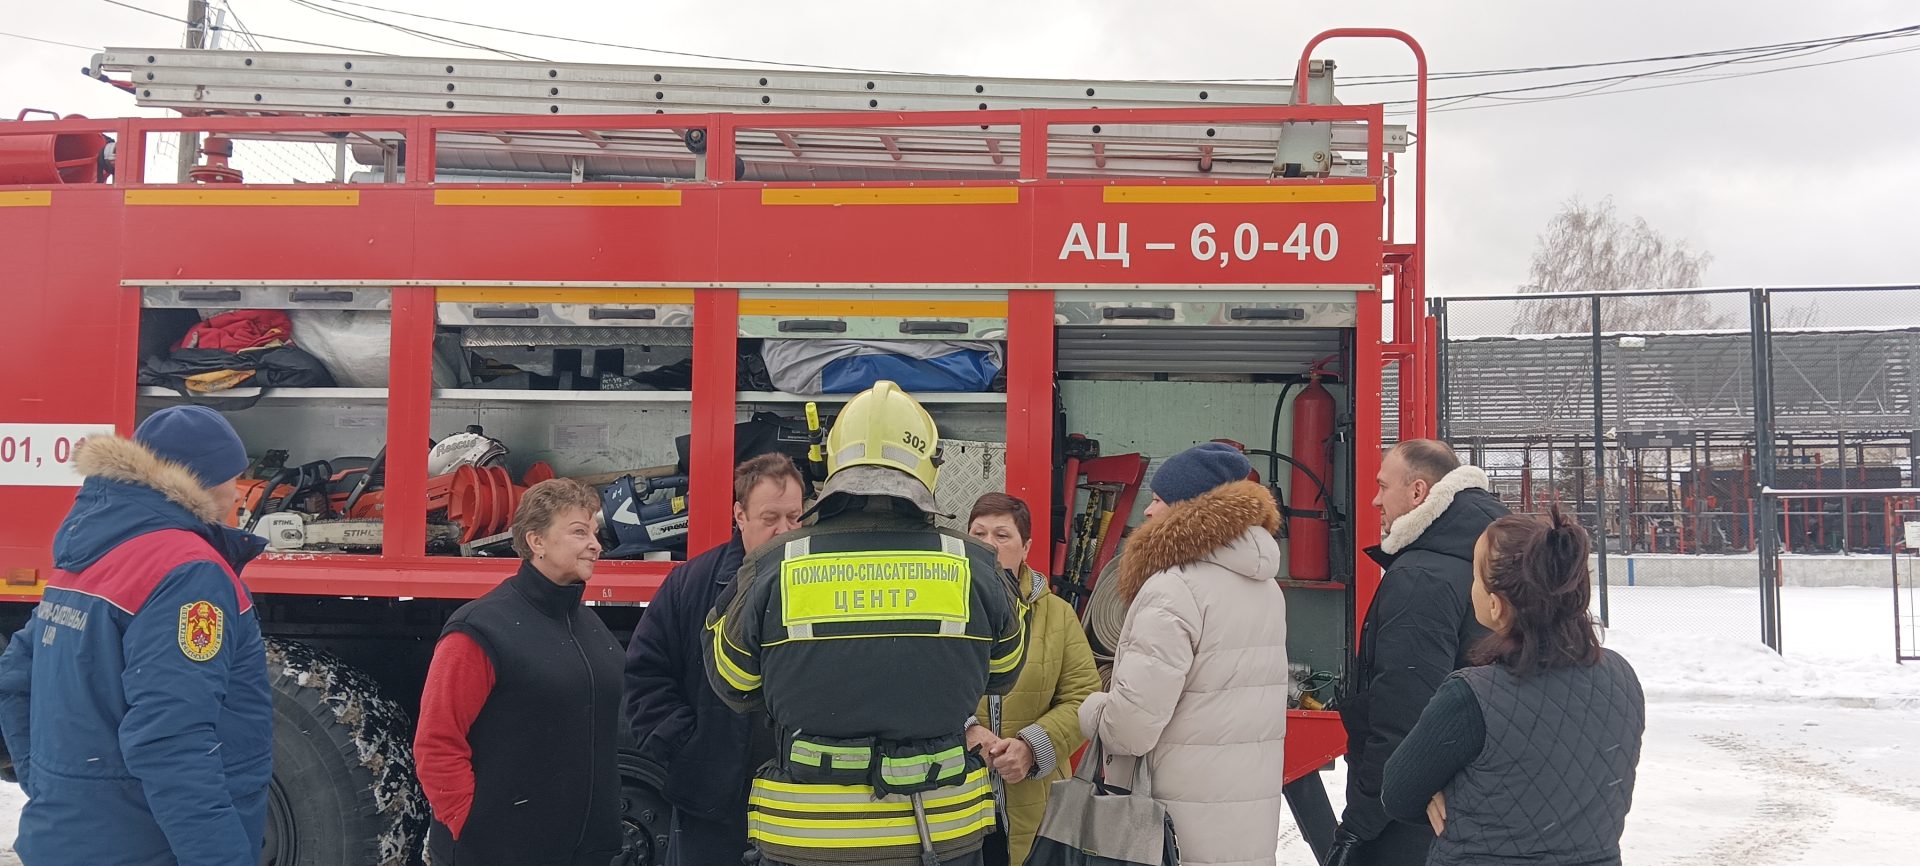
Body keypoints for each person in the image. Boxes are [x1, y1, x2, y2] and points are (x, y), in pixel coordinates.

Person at [706, 381, 1027, 866]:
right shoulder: (978, 564)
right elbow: (1003, 672)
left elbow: (734, 682)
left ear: (833, 462)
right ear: (928, 465)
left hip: (809, 841)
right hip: (941, 839)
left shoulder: (774, 563)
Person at [0, 406, 271, 866]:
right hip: (145, 846)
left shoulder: (86, 555)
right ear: (202, 478)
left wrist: (55, 786)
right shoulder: (189, 572)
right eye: (234, 476)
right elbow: (172, 737)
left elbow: (15, 682)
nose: (239, 492)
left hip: (65, 838)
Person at [1381, 507, 1645, 866]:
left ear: (1494, 604)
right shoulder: (1621, 677)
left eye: (1475, 575)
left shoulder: (1471, 696)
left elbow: (1398, 793)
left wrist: (1441, 797)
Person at [1079, 442, 1291, 866]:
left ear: (1189, 510)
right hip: (1240, 826)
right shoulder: (1264, 584)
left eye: (1158, 500)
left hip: (1173, 831)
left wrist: (1094, 708)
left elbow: (1131, 730)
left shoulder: (1174, 588)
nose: (1148, 512)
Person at [414, 478, 625, 866]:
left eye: (594, 532)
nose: (595, 544)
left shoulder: (592, 626)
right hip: (499, 851)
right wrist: (471, 825)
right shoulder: (480, 628)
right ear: (536, 541)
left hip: (586, 851)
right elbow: (437, 742)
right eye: (579, 532)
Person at [1330, 440, 1511, 866]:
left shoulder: (1420, 578)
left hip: (1411, 818)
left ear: (1417, 493)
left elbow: (1404, 715)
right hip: (1474, 798)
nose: (1375, 500)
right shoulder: (1487, 558)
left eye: (1382, 486)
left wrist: (1359, 825)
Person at [626, 453, 806, 865]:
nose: (784, 531)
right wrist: (688, 749)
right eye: (770, 518)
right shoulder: (691, 584)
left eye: (795, 518)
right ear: (739, 515)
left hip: (801, 800)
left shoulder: (825, 585)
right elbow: (645, 676)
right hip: (713, 802)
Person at [963, 493, 1102, 866]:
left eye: (1002, 535)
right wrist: (967, 729)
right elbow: (918, 688)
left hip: (1036, 805)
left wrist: (1031, 747)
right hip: (956, 801)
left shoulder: (1057, 615)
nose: (989, 544)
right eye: (978, 533)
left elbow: (1085, 699)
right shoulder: (942, 612)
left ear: (1026, 547)